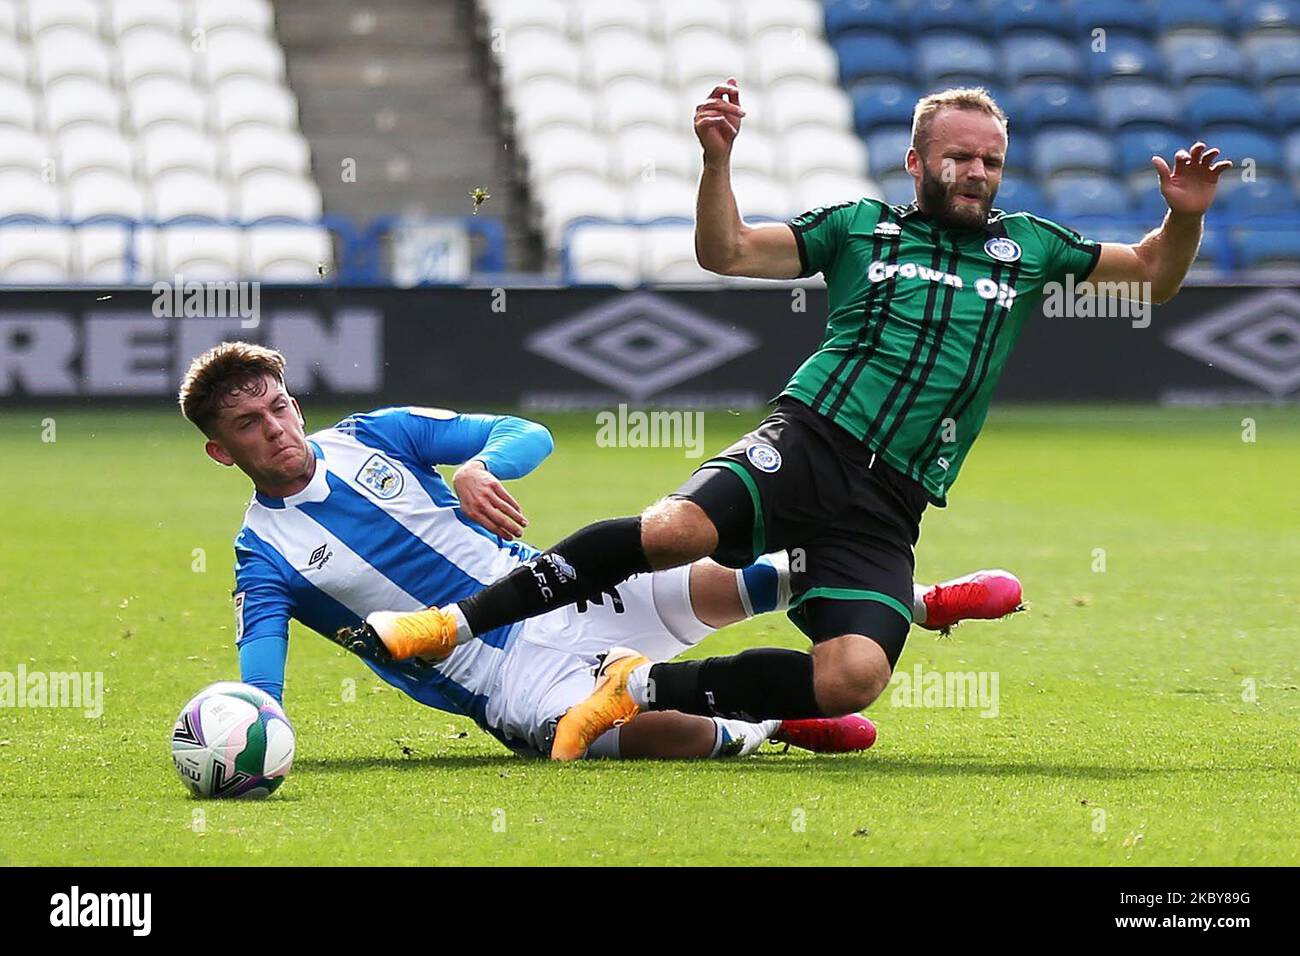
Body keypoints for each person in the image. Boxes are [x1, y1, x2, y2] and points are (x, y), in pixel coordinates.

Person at [347, 83, 1230, 761]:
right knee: (674, 531)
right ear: (916, 163)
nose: (978, 173)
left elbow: (1151, 274)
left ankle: (640, 687)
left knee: (854, 678)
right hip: (809, 439)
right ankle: (452, 625)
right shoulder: (859, 228)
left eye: (992, 161)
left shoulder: (1030, 246)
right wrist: (716, 160)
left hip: (892, 501)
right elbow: (724, 251)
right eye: (959, 157)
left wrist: (1181, 219)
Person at [179, 341, 1019, 759]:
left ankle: (913, 600)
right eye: (251, 425)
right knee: (673, 737)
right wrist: (254, 726)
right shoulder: (265, 555)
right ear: (223, 453)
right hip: (510, 681)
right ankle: (768, 724)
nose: (278, 430)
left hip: (552, 589)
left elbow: (527, 431)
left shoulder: (375, 435)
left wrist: (478, 468)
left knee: (740, 579)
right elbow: (263, 670)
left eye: (281, 407)